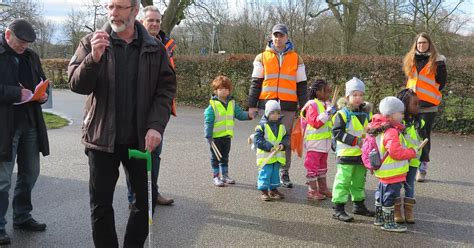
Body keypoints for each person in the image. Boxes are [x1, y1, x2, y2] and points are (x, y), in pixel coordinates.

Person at [68, 0, 176, 246]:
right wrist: (93, 59)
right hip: (101, 138)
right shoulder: (91, 42)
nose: (113, 13)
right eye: (110, 7)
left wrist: (156, 126)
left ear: (135, 10)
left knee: (144, 202)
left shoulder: (154, 47)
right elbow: (76, 83)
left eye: (120, 7)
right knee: (101, 205)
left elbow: (166, 89)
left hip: (140, 139)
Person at [0, 19, 50, 245]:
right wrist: (14, 94)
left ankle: (22, 215)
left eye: (27, 43)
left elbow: (40, 80)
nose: (24, 47)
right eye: (21, 42)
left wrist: (42, 94)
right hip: (5, 126)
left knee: (30, 172)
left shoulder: (31, 57)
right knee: (2, 179)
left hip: (30, 122)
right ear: (7, 34)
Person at [123, 5, 177, 208]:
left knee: (154, 155)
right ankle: (134, 198)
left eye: (157, 21)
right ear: (141, 21)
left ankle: (152, 193)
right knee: (135, 158)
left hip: (159, 112)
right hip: (137, 112)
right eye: (150, 20)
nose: (154, 24)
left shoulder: (167, 45)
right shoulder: (135, 42)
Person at [248, 24, 307, 188]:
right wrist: (251, 105)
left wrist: (305, 107)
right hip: (266, 105)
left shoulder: (297, 58)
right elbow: (256, 83)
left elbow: (302, 85)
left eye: (281, 35)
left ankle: (284, 173)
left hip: (287, 107)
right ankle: (265, 171)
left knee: (285, 139)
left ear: (287, 37)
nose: (278, 38)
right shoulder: (261, 57)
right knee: (265, 138)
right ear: (271, 37)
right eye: (275, 35)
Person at [367, 96, 417, 232]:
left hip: (382, 170)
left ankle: (379, 218)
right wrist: (411, 153)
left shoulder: (378, 126)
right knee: (390, 196)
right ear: (393, 114)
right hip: (392, 172)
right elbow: (396, 152)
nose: (402, 115)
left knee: (380, 193)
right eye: (401, 113)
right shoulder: (391, 131)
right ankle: (389, 223)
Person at [403, 32, 447, 182]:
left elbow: (442, 83)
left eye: (424, 43)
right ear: (416, 44)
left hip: (428, 106)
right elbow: (408, 80)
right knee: (408, 134)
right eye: (419, 43)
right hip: (411, 104)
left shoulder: (437, 61)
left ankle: (423, 167)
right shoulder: (411, 59)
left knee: (423, 135)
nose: (421, 45)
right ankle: (409, 164)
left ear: (430, 44)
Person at [331, 77, 374, 222]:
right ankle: (338, 209)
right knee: (343, 181)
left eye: (361, 95)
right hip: (346, 154)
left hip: (362, 155)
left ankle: (359, 205)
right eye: (354, 95)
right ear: (347, 96)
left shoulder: (367, 114)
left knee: (359, 181)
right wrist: (356, 141)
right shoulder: (342, 114)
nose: (358, 98)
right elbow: (337, 132)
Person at [204, 76, 252, 186]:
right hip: (215, 138)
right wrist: (208, 135)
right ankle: (216, 177)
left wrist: (249, 116)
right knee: (215, 158)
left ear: (229, 90)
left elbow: (239, 114)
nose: (224, 91)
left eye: (226, 89)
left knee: (225, 157)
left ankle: (225, 176)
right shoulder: (213, 105)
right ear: (215, 91)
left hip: (227, 136)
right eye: (221, 89)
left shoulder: (232, 103)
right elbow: (208, 121)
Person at [300, 79, 335, 200]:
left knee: (322, 167)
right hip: (314, 143)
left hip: (325, 143)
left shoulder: (327, 104)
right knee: (312, 167)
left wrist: (333, 113)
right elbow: (315, 123)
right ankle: (312, 191)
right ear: (317, 92)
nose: (328, 94)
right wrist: (327, 113)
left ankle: (323, 188)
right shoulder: (312, 105)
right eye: (325, 91)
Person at [396, 89, 423, 224]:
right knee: (395, 185)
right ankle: (396, 210)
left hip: (413, 160)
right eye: (415, 104)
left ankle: (408, 210)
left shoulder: (419, 122)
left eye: (419, 104)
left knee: (409, 184)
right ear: (404, 105)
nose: (418, 107)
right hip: (399, 161)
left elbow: (422, 139)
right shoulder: (398, 123)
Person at [254, 100, 289, 201]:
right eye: (272, 112)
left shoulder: (282, 126)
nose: (275, 115)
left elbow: (286, 137)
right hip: (266, 157)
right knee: (265, 173)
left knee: (274, 174)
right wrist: (269, 146)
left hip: (277, 156)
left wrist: (283, 144)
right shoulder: (261, 126)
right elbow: (258, 140)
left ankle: (273, 189)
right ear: (267, 113)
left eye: (278, 113)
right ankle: (264, 191)